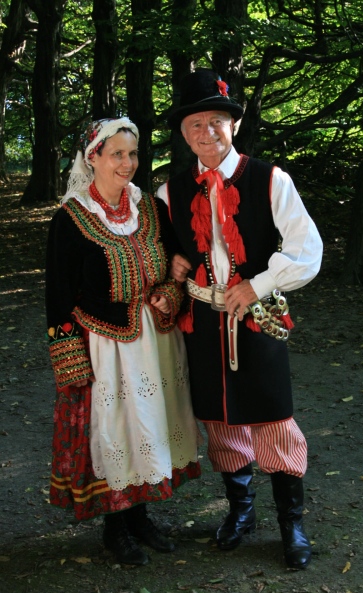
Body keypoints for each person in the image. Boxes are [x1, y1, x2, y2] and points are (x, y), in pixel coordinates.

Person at [156, 69, 323, 569]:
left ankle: (291, 523)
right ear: (184, 134)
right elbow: (161, 250)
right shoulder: (169, 192)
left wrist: (257, 284)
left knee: (273, 418)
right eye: (195, 124)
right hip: (202, 321)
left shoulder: (270, 179)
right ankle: (241, 510)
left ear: (233, 124)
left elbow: (307, 250)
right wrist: (173, 264)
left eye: (216, 121)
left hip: (256, 317)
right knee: (220, 421)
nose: (206, 132)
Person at [45, 117, 201, 566]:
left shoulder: (149, 207)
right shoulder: (71, 219)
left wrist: (170, 292)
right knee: (117, 431)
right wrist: (71, 361)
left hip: (156, 341)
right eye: (117, 154)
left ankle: (141, 518)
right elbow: (58, 298)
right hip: (105, 346)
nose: (128, 163)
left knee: (149, 428)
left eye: (132, 153)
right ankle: (116, 527)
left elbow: (177, 264)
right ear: (92, 157)